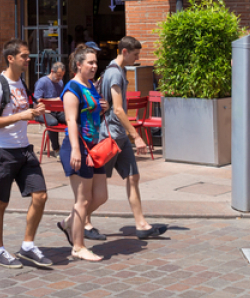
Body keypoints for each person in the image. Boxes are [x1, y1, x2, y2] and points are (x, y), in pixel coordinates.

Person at [0, 38, 51, 269]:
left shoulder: (22, 82)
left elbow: (24, 110)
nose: (28, 59)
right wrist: (20, 116)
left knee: (40, 195)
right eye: (24, 56)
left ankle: (28, 246)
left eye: (28, 56)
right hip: (2, 151)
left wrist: (36, 110)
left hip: (24, 150)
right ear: (11, 58)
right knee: (0, 203)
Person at [91, 36, 168, 240]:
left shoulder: (119, 71)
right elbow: (117, 109)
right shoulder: (114, 73)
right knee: (99, 189)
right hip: (111, 137)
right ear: (124, 52)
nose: (137, 58)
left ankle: (141, 224)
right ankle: (78, 221)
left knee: (133, 177)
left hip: (120, 136)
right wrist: (137, 136)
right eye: (135, 55)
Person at [55, 46, 111, 261]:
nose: (94, 66)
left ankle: (70, 222)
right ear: (78, 64)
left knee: (100, 196)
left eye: (96, 63)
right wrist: (76, 151)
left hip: (94, 149)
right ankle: (78, 246)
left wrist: (101, 107)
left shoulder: (90, 86)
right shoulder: (72, 88)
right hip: (78, 148)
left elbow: (89, 112)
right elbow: (70, 120)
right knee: (83, 200)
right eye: (90, 63)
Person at [33, 61, 66, 152]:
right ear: (52, 71)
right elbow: (37, 100)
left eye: (62, 75)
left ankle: (69, 146)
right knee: (52, 122)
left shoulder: (60, 82)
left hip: (57, 111)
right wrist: (54, 101)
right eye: (59, 75)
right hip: (42, 111)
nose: (60, 78)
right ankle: (56, 149)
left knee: (72, 118)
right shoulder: (42, 82)